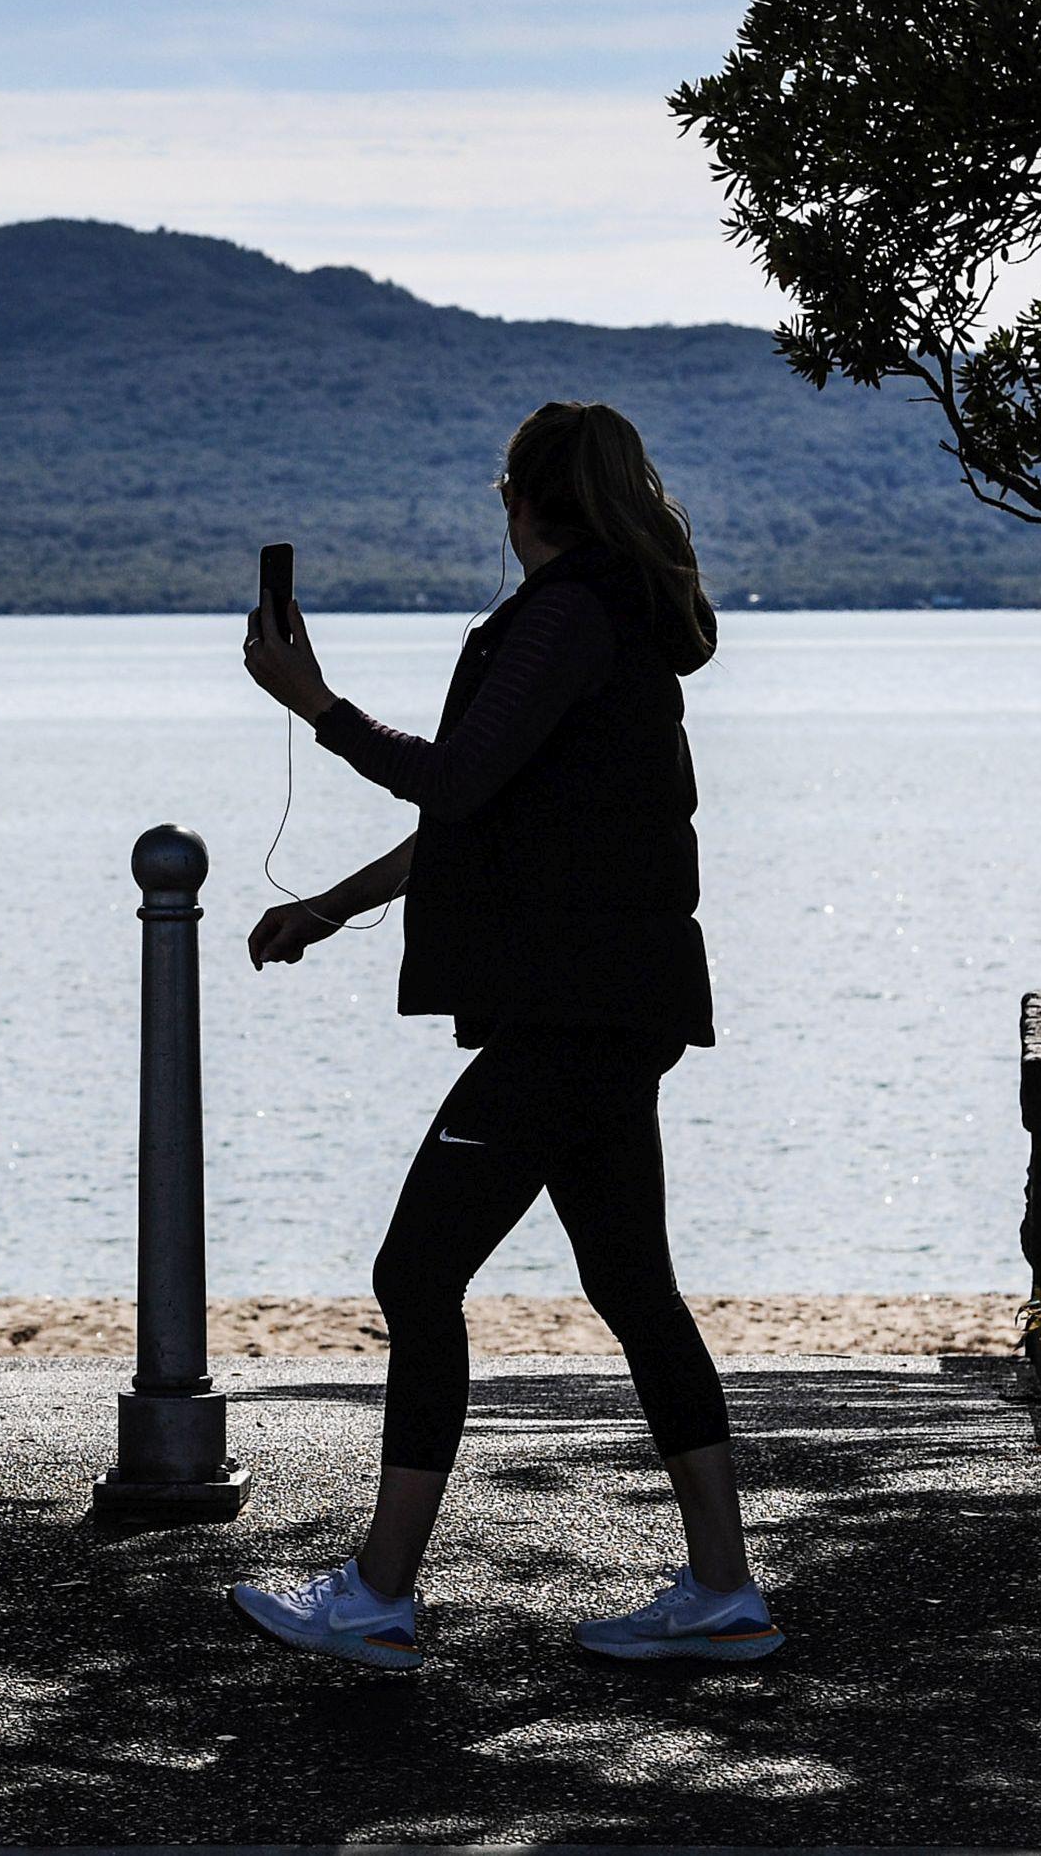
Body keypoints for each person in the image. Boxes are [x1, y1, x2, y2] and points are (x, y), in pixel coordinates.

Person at [225, 399, 776, 1673]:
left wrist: (315, 701)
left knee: (417, 1276)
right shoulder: (614, 625)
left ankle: (378, 1592)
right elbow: (484, 823)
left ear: (518, 500)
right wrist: (326, 908)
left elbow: (457, 780)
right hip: (612, 1008)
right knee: (633, 1286)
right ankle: (722, 1588)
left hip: (572, 1013)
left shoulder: (571, 617)